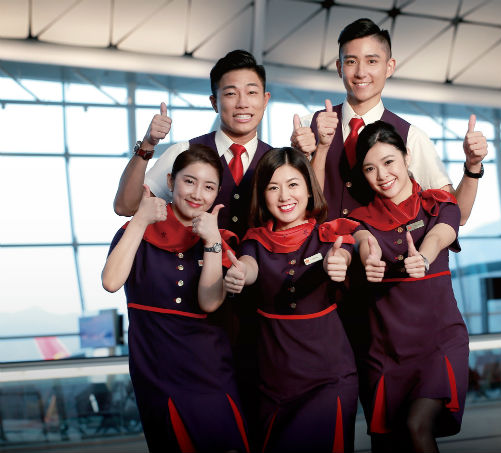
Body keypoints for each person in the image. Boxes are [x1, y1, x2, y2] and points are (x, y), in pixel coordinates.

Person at [102, 145, 249, 453]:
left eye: (209, 187)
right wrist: (140, 220)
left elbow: (209, 302)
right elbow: (111, 281)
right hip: (158, 374)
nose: (197, 194)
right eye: (189, 181)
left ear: (217, 194)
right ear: (170, 182)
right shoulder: (136, 232)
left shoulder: (218, 241)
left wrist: (212, 242)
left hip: (212, 373)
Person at [224, 147, 359, 453]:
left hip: (330, 377)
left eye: (293, 184)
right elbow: (249, 267)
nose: (284, 196)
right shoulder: (254, 241)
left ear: (310, 190)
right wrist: (239, 274)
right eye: (273, 187)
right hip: (273, 384)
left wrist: (336, 265)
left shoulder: (330, 235)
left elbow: (342, 257)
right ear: (263, 194)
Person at [291, 18, 487, 225]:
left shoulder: (411, 136)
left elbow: (458, 216)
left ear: (389, 67)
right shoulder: (307, 127)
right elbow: (293, 208)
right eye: (351, 62)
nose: (360, 72)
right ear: (340, 68)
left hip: (385, 256)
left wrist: (473, 165)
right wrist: (302, 154)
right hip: (320, 255)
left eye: (372, 61)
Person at [350, 121, 469, 453]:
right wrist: (367, 254)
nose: (382, 174)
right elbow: (361, 240)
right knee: (389, 443)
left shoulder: (438, 205)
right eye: (370, 168)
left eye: (389, 162)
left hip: (438, 343)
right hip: (386, 352)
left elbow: (442, 233)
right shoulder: (360, 220)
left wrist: (425, 258)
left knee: (417, 426)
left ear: (406, 157)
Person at [113, 49, 272, 238]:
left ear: (265, 100)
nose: (242, 103)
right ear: (214, 102)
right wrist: (148, 144)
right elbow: (126, 206)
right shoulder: (184, 152)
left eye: (252, 92)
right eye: (231, 93)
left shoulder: (278, 163)